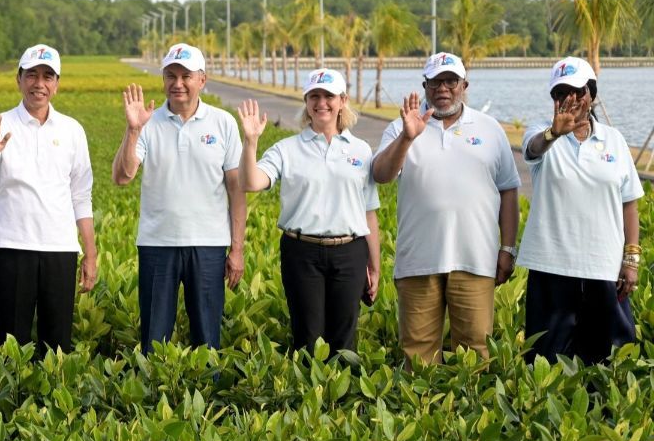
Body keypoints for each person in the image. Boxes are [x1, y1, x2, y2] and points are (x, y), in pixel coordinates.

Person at [371, 52, 521, 364]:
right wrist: (407, 138)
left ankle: (473, 413)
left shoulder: (490, 128)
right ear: (424, 86)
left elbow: (509, 189)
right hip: (418, 262)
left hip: (476, 260)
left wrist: (507, 248)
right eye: (436, 82)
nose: (443, 88)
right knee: (418, 359)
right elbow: (381, 175)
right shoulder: (401, 127)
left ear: (464, 84)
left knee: (476, 356)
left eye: (451, 80)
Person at [112, 43, 245, 352]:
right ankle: (150, 398)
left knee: (207, 340)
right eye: (170, 76)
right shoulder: (148, 123)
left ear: (202, 79)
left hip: (209, 244)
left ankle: (208, 398)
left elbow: (236, 190)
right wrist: (133, 130)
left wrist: (236, 248)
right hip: (157, 244)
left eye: (186, 76)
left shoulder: (223, 123)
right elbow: (123, 176)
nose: (178, 83)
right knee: (154, 340)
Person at [237, 69, 381, 354]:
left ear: (342, 100)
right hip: (302, 252)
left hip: (350, 252)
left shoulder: (361, 150)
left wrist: (374, 265)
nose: (321, 103)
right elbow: (251, 182)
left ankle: (341, 398)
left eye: (329, 96)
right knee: (307, 337)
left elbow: (369, 213)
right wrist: (251, 142)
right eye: (314, 96)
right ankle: (309, 395)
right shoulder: (286, 149)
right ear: (306, 101)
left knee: (344, 339)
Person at [0, 44, 97, 356]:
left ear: (56, 83)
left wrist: (90, 254)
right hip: (13, 247)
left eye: (48, 76)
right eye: (32, 75)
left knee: (58, 344)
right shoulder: (2, 125)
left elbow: (81, 195)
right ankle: (14, 403)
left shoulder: (72, 130)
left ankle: (51, 400)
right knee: (12, 342)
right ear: (19, 79)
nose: (39, 83)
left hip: (60, 249)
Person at [517, 57, 644, 364]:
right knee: (546, 360)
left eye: (577, 91)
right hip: (552, 268)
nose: (569, 100)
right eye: (560, 93)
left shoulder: (614, 140)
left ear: (592, 94)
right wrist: (554, 133)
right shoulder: (542, 135)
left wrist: (632, 258)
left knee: (611, 358)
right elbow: (533, 149)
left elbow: (630, 202)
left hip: (603, 267)